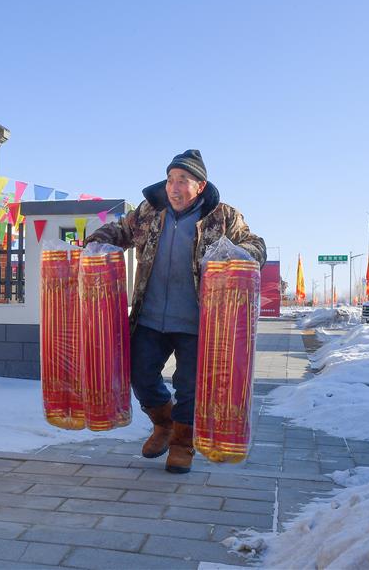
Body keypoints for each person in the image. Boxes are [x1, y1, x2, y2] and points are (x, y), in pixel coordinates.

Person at [85, 149, 265, 473]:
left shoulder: (223, 217)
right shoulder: (149, 212)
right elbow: (120, 232)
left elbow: (256, 245)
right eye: (170, 179)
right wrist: (96, 241)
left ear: (200, 185)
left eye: (183, 180)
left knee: (190, 385)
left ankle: (183, 444)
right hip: (150, 315)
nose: (174, 187)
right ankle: (164, 424)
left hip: (198, 321)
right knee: (139, 374)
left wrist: (238, 254)